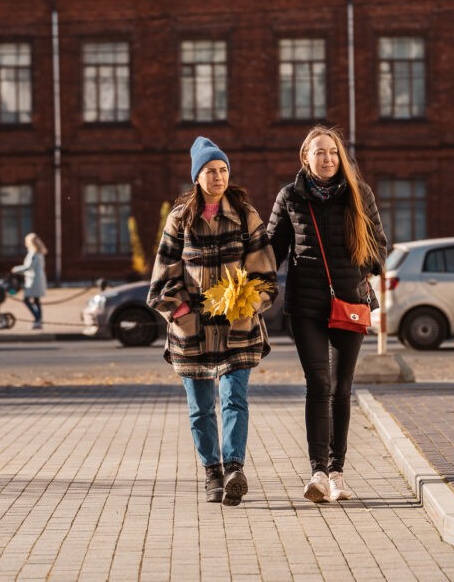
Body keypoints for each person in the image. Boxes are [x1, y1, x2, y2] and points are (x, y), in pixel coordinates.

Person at [147, 136, 277, 506]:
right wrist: (182, 312)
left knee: (234, 397)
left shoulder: (245, 215)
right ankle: (212, 473)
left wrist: (249, 303)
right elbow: (162, 277)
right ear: (197, 177)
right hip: (193, 330)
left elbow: (266, 274)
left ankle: (234, 467)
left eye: (223, 170)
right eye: (210, 171)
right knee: (200, 407)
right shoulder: (180, 219)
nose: (218, 177)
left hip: (238, 327)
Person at [267, 125, 388, 504]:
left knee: (341, 388)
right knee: (318, 385)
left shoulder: (358, 194)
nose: (328, 158)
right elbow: (271, 251)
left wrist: (358, 267)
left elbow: (380, 247)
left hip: (350, 304)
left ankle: (338, 472)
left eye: (333, 152)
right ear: (305, 157)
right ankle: (317, 472)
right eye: (319, 152)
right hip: (305, 306)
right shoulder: (290, 197)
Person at [12, 233, 48, 329]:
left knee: (27, 300)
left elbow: (28, 267)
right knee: (36, 301)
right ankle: (38, 320)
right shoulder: (39, 252)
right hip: (38, 279)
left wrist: (16, 269)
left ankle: (37, 319)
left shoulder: (33, 253)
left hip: (33, 280)